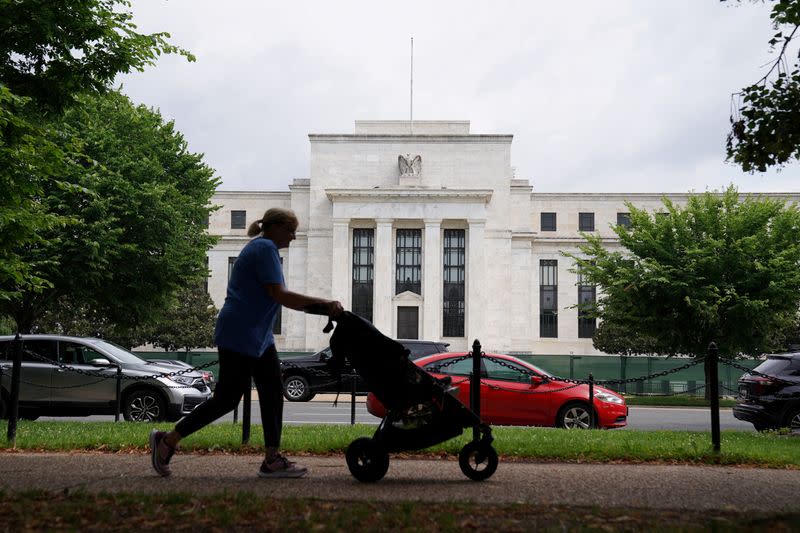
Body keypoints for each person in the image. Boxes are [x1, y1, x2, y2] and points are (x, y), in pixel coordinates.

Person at [150, 207, 343, 478]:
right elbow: (280, 295)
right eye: (290, 231)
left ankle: (272, 459)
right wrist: (324, 305)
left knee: (272, 392)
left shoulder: (263, 249)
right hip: (241, 333)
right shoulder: (264, 248)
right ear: (275, 228)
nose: (294, 238)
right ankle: (167, 441)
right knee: (227, 399)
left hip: (256, 336)